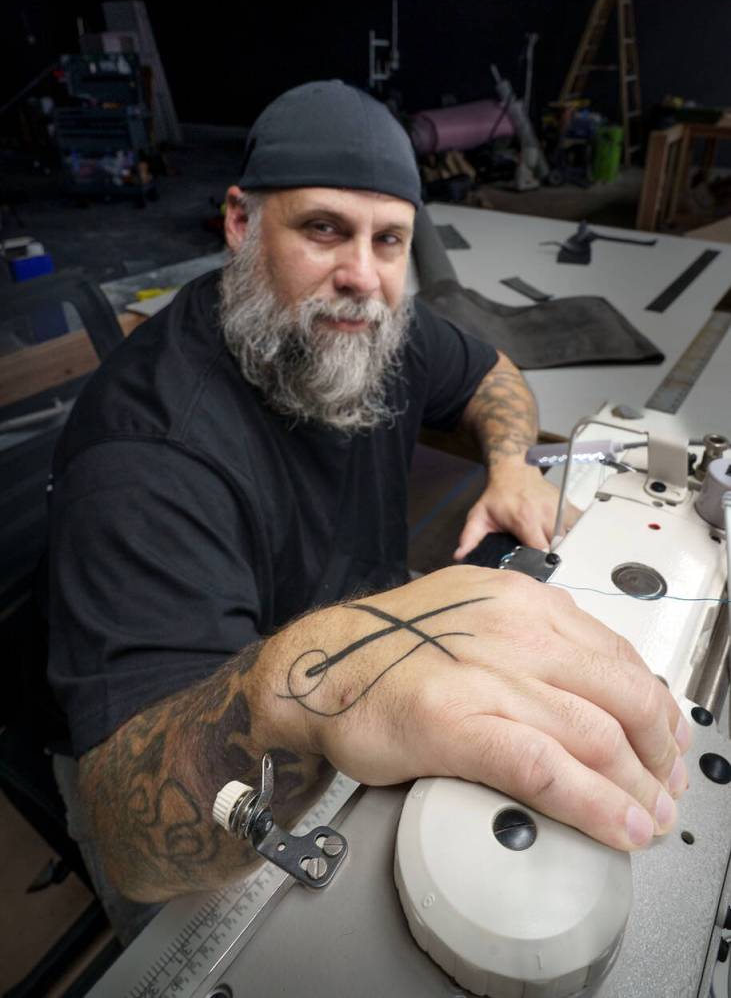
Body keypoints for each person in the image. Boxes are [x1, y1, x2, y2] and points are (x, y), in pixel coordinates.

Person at [47, 81, 689, 943]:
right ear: (239, 222)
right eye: (322, 229)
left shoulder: (365, 325)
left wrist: (509, 464)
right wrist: (318, 672)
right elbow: (130, 835)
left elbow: (490, 368)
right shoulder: (147, 456)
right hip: (205, 757)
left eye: (389, 240)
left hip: (357, 680)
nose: (360, 274)